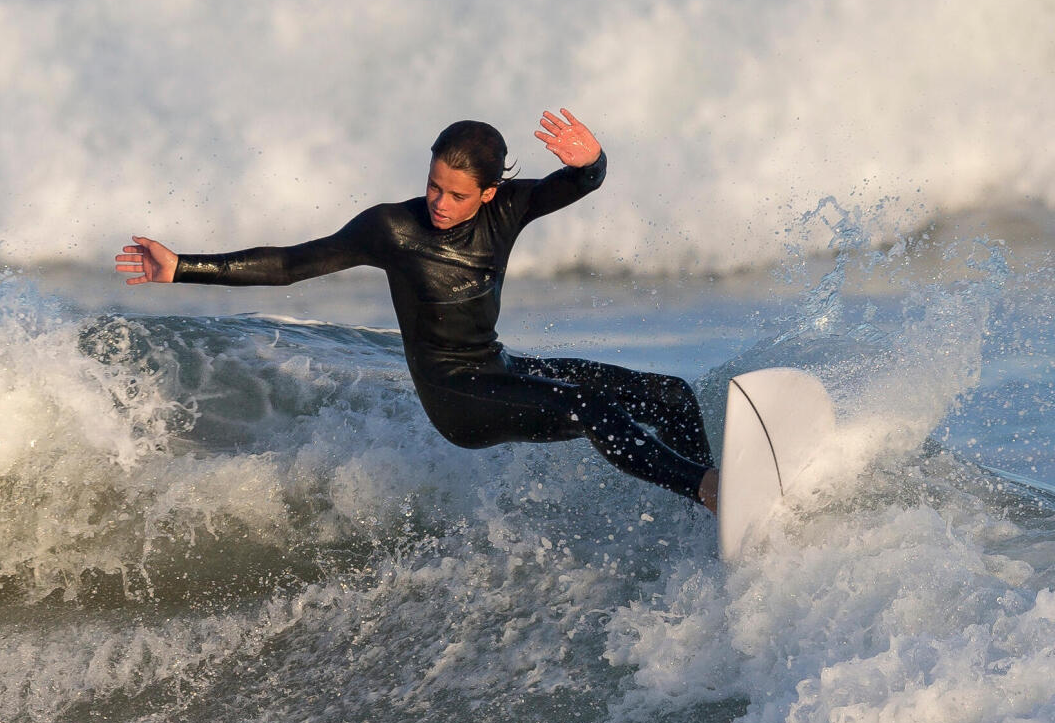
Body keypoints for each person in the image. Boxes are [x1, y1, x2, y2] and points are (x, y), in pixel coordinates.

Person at [114, 110, 720, 511]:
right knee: (590, 406)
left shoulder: (508, 209)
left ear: (488, 194)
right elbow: (292, 264)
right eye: (434, 186)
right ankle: (706, 490)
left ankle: (712, 514)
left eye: (457, 195)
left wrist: (593, 161)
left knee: (671, 394)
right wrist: (183, 266)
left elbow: (581, 183)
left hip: (498, 368)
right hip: (459, 401)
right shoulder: (392, 229)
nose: (439, 202)